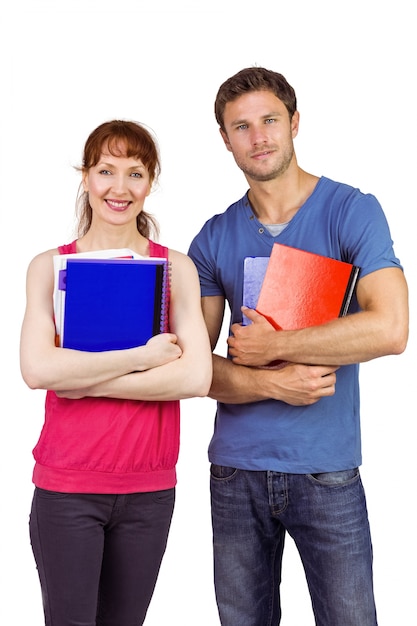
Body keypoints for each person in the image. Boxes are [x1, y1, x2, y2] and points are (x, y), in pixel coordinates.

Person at [188, 67, 409, 626]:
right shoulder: (214, 236)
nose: (257, 136)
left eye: (269, 120)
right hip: (235, 474)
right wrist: (268, 380)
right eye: (241, 127)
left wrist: (276, 344)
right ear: (225, 138)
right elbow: (192, 365)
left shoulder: (350, 210)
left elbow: (391, 328)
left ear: (294, 123)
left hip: (326, 471)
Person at [20, 119, 212, 626]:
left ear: (151, 182)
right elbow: (38, 369)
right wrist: (141, 357)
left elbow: (195, 378)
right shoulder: (48, 266)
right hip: (67, 489)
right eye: (106, 171)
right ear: (86, 177)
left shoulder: (178, 269)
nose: (119, 188)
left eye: (135, 173)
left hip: (148, 491)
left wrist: (79, 379)